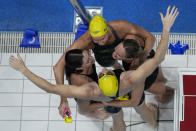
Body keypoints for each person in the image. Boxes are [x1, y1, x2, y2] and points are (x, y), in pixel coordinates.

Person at [9, 5, 179, 130]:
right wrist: (166, 29)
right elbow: (158, 59)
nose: (103, 70)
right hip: (128, 95)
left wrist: (24, 70)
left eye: (104, 74)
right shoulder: (130, 78)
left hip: (111, 102)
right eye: (107, 73)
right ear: (118, 76)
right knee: (141, 107)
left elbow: (50, 88)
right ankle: (152, 121)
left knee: (118, 121)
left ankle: (120, 127)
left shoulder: (91, 91)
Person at [112, 38, 174, 103]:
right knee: (157, 73)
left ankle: (167, 94)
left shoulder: (137, 68)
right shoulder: (135, 47)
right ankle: (163, 80)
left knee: (157, 89)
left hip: (147, 75)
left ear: (130, 58)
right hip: (151, 61)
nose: (114, 54)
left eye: (118, 55)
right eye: (115, 49)